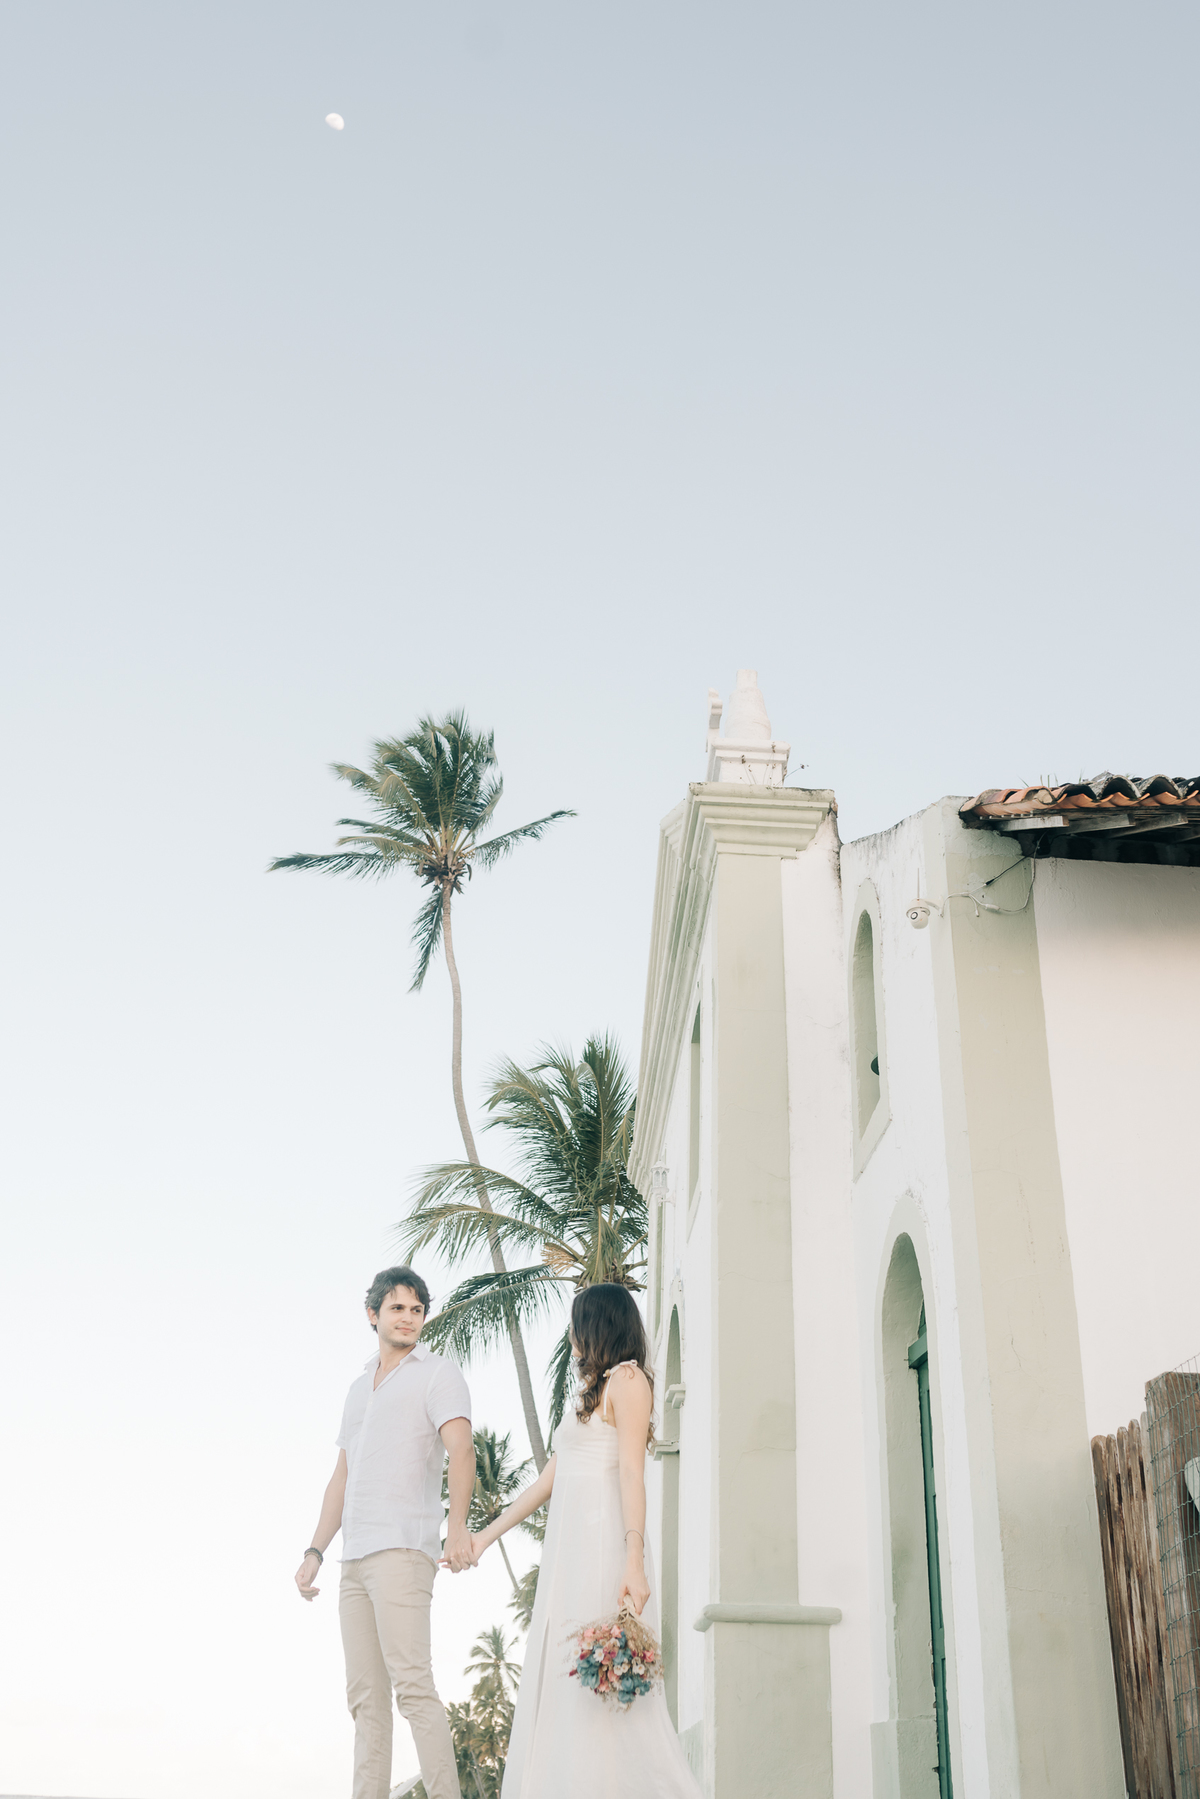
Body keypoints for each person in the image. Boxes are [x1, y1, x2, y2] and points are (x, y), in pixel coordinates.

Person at [468, 1283, 702, 1798]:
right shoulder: (586, 1398)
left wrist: (634, 1560)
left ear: (595, 1326)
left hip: (605, 1550)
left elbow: (632, 1475)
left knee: (609, 1692)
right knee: (568, 1686)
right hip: (568, 1555)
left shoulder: (628, 1379)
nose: (572, 1336)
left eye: (577, 1325)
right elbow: (545, 1485)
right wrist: (483, 1538)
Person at [294, 1265, 476, 1799]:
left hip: (403, 1549)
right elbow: (341, 1478)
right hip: (354, 1560)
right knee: (366, 1700)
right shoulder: (357, 1389)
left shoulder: (438, 1373)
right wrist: (314, 1552)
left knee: (414, 1689)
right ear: (373, 1314)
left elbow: (461, 1451)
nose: (409, 1318)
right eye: (398, 1308)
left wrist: (458, 1527)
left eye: (417, 1310)